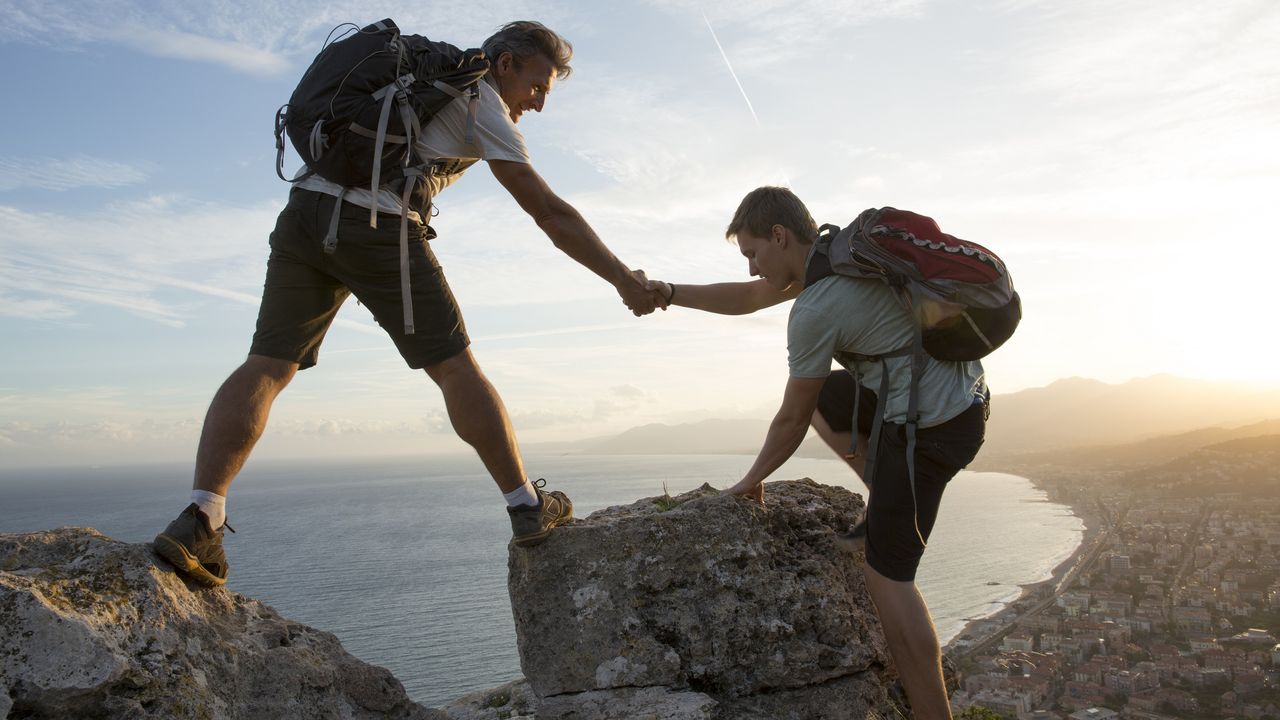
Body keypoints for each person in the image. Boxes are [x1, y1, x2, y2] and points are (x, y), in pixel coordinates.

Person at [153, 21, 663, 588]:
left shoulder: (423, 82)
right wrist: (623, 278)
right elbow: (548, 212)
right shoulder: (480, 100)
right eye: (537, 86)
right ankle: (526, 507)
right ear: (506, 64)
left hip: (304, 213)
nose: (538, 104)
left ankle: (201, 516)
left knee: (268, 365)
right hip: (379, 225)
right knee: (454, 366)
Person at [641, 186, 987, 719]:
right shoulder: (838, 255)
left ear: (779, 236)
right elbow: (746, 297)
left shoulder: (815, 307)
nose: (754, 269)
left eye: (754, 254)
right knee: (831, 392)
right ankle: (884, 495)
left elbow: (790, 419)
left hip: (930, 430)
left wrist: (751, 479)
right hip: (962, 398)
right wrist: (667, 291)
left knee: (887, 578)